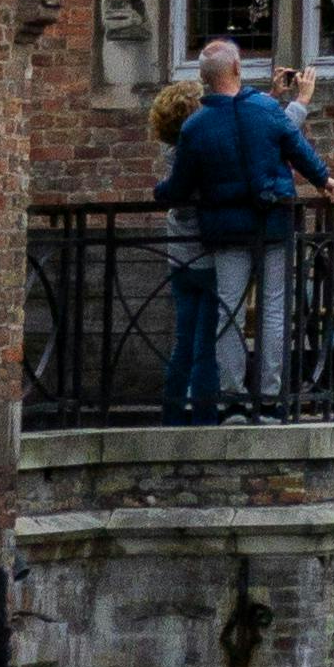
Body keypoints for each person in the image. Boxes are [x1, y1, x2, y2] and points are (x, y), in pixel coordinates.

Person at [158, 33, 331, 417]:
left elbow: (179, 187)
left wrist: (160, 191)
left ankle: (232, 397)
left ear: (204, 78)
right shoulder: (263, 110)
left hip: (225, 229)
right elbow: (296, 148)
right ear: (237, 69)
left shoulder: (197, 126)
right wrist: (323, 179)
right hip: (272, 222)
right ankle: (270, 399)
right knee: (273, 310)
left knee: (229, 312)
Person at [147, 69, 215, 422]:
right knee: (205, 342)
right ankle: (203, 416)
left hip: (178, 256)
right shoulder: (195, 155)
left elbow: (170, 192)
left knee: (184, 339)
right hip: (204, 253)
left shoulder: (171, 151)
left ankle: (172, 414)